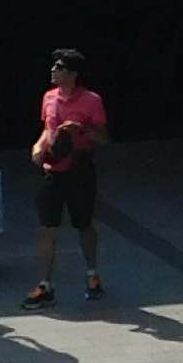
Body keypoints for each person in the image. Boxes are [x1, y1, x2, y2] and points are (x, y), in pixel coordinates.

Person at [25, 46, 108, 307]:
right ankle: (45, 285)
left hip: (79, 171)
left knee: (83, 225)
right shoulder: (49, 97)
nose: (53, 70)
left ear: (72, 74)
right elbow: (47, 130)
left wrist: (81, 129)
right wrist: (38, 147)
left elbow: (104, 137)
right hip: (52, 171)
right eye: (53, 66)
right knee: (46, 228)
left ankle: (92, 274)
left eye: (59, 67)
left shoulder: (92, 100)